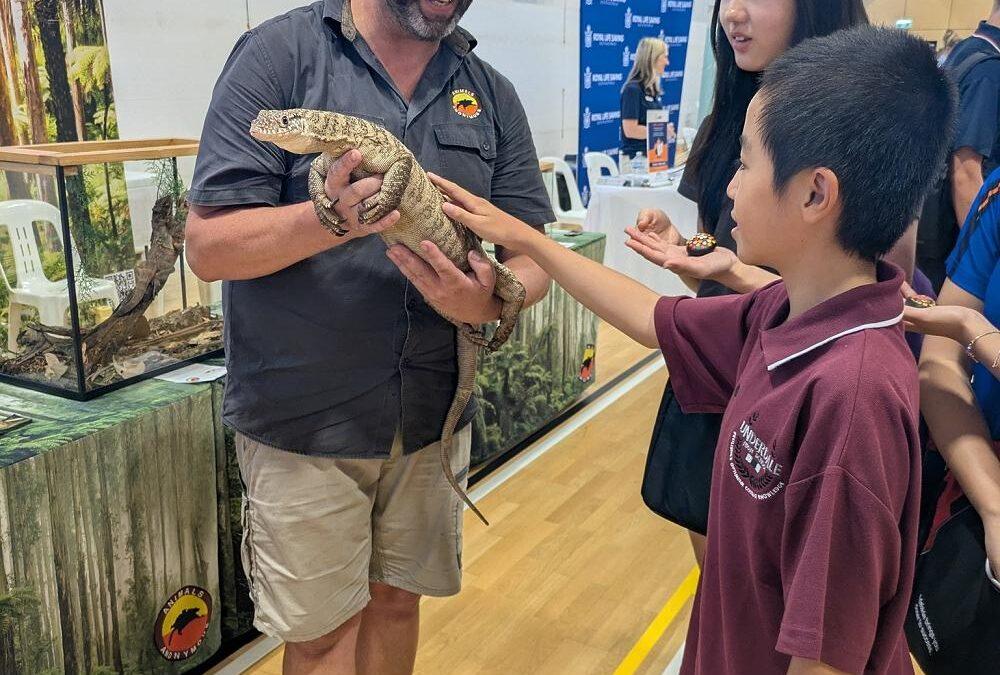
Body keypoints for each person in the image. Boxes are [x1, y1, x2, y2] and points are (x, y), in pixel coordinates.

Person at [432, 26, 953, 675]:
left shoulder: (851, 401)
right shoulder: (789, 309)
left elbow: (826, 657)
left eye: (748, 162)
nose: (729, 186)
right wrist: (529, 240)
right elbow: (655, 319)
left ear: (816, 194)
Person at [184, 0, 553, 673]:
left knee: (396, 604)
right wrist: (331, 219)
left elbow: (531, 253)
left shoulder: (490, 91)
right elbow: (209, 247)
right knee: (322, 637)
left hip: (430, 410)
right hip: (307, 423)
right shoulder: (277, 58)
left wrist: (492, 296)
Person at [621, 0, 870, 565]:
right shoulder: (726, 119)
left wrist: (731, 271)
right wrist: (690, 252)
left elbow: (872, 299)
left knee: (782, 598)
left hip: (802, 393)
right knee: (719, 586)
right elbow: (719, 250)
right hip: (717, 375)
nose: (733, 14)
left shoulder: (860, 132)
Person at [905, 167, 1000, 580]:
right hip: (970, 486)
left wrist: (973, 331)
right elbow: (940, 360)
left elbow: (957, 329)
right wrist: (992, 503)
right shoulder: (995, 196)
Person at [917, 1, 1000, 290]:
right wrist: (981, 262)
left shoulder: (965, 50)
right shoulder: (989, 70)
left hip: (931, 232)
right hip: (952, 246)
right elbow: (966, 174)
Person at [620, 37, 668, 163]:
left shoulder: (652, 90)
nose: (667, 62)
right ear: (653, 58)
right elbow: (630, 130)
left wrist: (663, 129)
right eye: (665, 57)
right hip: (635, 160)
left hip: (654, 157)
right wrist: (661, 131)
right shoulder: (632, 89)